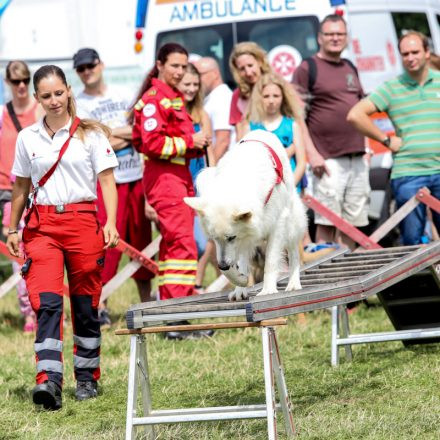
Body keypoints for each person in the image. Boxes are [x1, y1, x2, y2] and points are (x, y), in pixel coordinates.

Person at [6, 65, 119, 410]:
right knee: (47, 303)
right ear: (37, 99)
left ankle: (87, 377)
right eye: (46, 96)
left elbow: (107, 181)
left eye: (58, 93)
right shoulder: (28, 138)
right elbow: (21, 187)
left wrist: (110, 221)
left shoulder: (91, 134)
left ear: (68, 91)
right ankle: (49, 381)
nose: (54, 101)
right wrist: (13, 228)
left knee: (86, 304)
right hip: (42, 227)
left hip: (83, 221)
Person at [132, 43, 213, 341]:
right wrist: (191, 142)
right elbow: (152, 145)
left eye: (183, 66)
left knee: (172, 250)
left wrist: (191, 143)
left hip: (176, 176)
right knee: (182, 246)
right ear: (160, 65)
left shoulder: (172, 97)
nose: (179, 71)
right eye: (174, 66)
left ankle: (172, 317)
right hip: (165, 178)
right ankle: (178, 320)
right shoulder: (156, 100)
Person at [73, 48, 153, 327]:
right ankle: (101, 305)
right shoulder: (78, 103)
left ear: (101, 64)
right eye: (81, 69)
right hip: (106, 181)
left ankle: (146, 304)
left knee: (141, 241)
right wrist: (122, 135)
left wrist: (109, 133)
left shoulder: (123, 93)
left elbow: (139, 131)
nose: (87, 72)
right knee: (105, 243)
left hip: (135, 176)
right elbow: (91, 141)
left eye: (90, 66)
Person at [347, 31, 440, 245]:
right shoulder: (392, 88)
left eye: (415, 52)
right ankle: (416, 280)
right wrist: (386, 140)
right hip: (409, 173)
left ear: (427, 53)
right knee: (411, 242)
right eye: (405, 53)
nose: (410, 57)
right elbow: (355, 115)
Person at [292, 14, 369, 249]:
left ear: (346, 38)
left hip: (357, 157)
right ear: (320, 38)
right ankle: (325, 275)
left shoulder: (350, 66)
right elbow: (298, 117)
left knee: (353, 224)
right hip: (326, 160)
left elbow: (360, 109)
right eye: (330, 34)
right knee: (327, 221)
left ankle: (351, 279)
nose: (335, 38)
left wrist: (365, 147)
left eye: (340, 34)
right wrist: (311, 154)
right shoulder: (308, 68)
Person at [177, 63, 219, 293]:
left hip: (199, 182)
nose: (191, 89)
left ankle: (192, 285)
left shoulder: (202, 114)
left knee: (202, 244)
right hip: (177, 181)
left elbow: (209, 152)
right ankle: (183, 287)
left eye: (195, 84)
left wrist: (213, 182)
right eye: (187, 84)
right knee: (182, 241)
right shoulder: (171, 113)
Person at [244, 72, 306, 190]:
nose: (271, 101)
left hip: (289, 187)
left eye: (276, 96)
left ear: (283, 97)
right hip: (261, 190)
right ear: (259, 98)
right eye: (266, 96)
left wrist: (289, 188)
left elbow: (301, 162)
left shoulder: (292, 126)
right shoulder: (250, 127)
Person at [0, 61, 42, 227]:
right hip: (8, 188)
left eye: (26, 79)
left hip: (37, 188)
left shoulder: (41, 109)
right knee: (14, 237)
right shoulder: (2, 113)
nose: (22, 85)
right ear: (8, 81)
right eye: (17, 81)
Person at [228, 42, 271, 140]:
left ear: (260, 62)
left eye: (250, 65)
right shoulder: (238, 96)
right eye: (242, 69)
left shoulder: (277, 87)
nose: (248, 72)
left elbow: (297, 127)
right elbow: (240, 135)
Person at [195, 57, 234, 161]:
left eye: (200, 75)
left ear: (215, 73)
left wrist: (211, 172)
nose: (196, 79)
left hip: (223, 169)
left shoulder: (222, 98)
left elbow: (223, 141)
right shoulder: (213, 98)